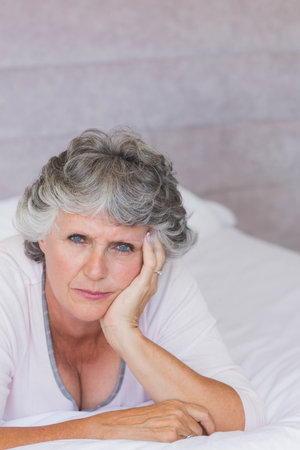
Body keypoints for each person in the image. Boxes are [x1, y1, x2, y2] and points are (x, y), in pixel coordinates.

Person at [0, 128, 265, 448]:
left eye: (122, 247)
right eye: (78, 239)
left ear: (152, 250)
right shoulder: (7, 283)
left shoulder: (161, 280)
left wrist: (125, 332)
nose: (96, 270)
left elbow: (241, 418)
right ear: (43, 236)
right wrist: (99, 427)